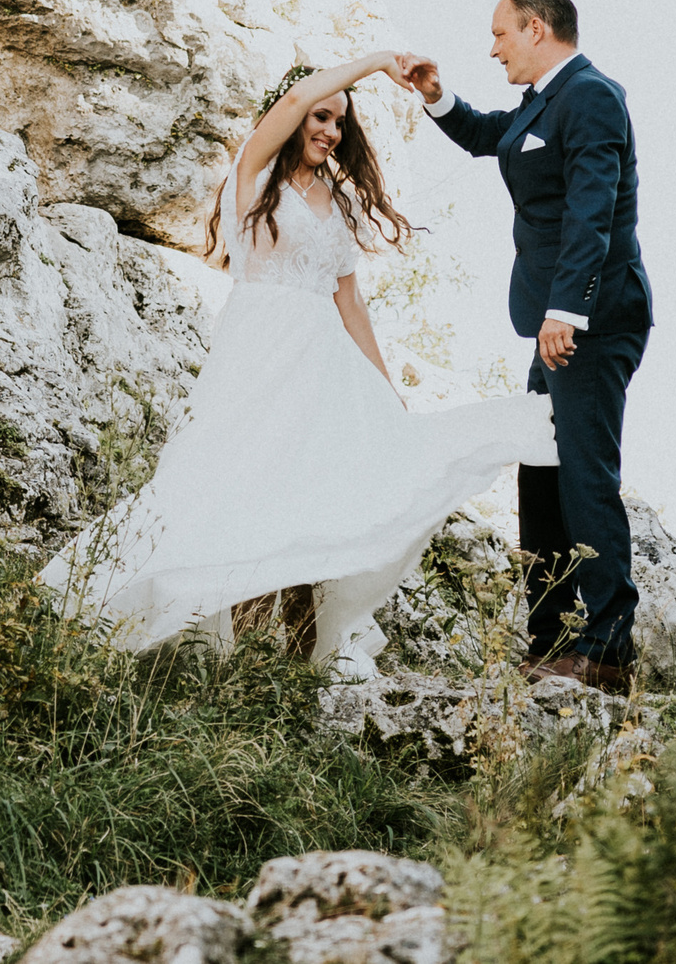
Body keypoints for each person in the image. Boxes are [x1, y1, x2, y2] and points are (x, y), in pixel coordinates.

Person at [39, 50, 558, 676]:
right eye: (320, 116)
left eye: (339, 123)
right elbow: (289, 102)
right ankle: (145, 616)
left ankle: (304, 649)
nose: (329, 131)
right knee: (225, 485)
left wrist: (385, 387)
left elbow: (352, 304)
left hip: (325, 366)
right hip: (261, 351)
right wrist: (371, 65)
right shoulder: (253, 176)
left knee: (322, 495)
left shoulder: (336, 201)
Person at [403, 0, 650, 695]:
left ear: (537, 28)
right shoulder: (541, 102)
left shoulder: (593, 95)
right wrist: (437, 97)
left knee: (583, 470)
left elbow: (592, 208)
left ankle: (605, 648)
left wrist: (568, 310)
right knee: (539, 471)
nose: (493, 46)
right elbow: (494, 139)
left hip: (592, 321)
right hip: (556, 325)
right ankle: (548, 637)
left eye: (501, 33)